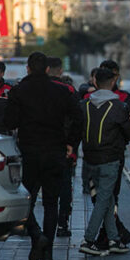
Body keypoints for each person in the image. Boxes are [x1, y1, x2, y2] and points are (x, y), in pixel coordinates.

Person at [4, 52, 82, 260]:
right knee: (51, 203)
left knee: (25, 199)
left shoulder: (19, 91)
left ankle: (36, 235)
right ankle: (47, 254)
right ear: (47, 69)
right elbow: (78, 117)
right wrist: (71, 143)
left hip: (29, 152)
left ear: (28, 68)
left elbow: (9, 121)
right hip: (55, 151)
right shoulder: (61, 91)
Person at [78, 67, 130, 257]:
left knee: (108, 198)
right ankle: (89, 240)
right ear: (113, 82)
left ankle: (114, 239)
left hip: (90, 159)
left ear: (95, 82)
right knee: (103, 200)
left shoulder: (84, 105)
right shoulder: (119, 106)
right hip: (110, 159)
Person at [95, 60, 130, 247]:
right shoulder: (90, 97)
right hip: (98, 153)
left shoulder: (125, 97)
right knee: (100, 196)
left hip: (114, 152)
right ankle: (113, 231)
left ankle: (107, 233)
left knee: (111, 195)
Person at [47, 57, 78, 239]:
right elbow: (77, 119)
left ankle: (30, 223)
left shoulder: (35, 89)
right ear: (60, 71)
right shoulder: (68, 90)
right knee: (64, 185)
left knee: (39, 185)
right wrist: (72, 144)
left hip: (39, 145)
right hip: (62, 146)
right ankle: (62, 223)